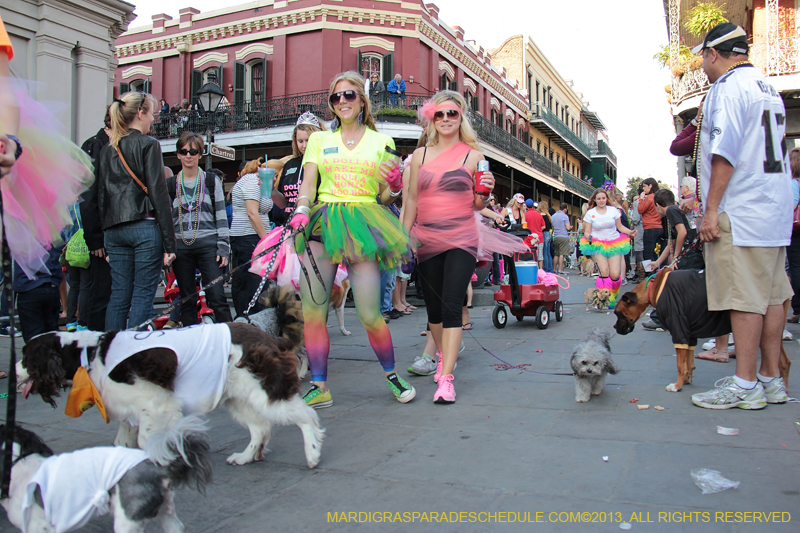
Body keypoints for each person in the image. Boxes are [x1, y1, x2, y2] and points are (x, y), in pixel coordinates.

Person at [291, 71, 414, 408]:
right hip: (322, 222)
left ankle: (391, 374)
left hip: (364, 223)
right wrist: (302, 209)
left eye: (348, 95)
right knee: (314, 312)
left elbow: (384, 196)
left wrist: (396, 186)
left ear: (361, 100)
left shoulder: (381, 142)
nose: (342, 101)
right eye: (335, 97)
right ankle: (320, 385)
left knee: (370, 314)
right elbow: (308, 185)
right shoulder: (318, 140)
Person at [690, 23, 793, 410]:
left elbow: (725, 152)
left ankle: (745, 383)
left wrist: (712, 210)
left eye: (703, 57)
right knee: (771, 298)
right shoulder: (767, 87)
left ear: (714, 53)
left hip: (743, 207)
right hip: (773, 208)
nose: (702, 66)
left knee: (745, 300)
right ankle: (769, 380)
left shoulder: (728, 88)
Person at [403, 90, 526, 403]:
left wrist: (485, 195)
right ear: (432, 118)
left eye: (452, 114)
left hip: (461, 237)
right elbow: (412, 201)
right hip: (426, 238)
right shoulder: (420, 156)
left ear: (461, 118)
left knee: (452, 302)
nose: (445, 119)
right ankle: (444, 356)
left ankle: (446, 378)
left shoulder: (473, 155)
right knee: (432, 311)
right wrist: (401, 239)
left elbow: (477, 202)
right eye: (440, 114)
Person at [97, 92, 176, 330]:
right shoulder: (148, 144)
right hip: (144, 226)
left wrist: (105, 234)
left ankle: (110, 353)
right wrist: (169, 244)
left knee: (119, 295)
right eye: (151, 112)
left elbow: (101, 196)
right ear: (140, 113)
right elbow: (158, 194)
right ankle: (135, 352)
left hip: (114, 229)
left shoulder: (107, 150)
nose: (153, 119)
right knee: (143, 294)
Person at [167, 132, 232, 325]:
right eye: (184, 151)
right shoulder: (170, 184)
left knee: (217, 296)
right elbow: (167, 221)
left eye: (193, 151)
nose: (188, 155)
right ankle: (193, 343)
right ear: (178, 154)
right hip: (181, 248)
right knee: (187, 299)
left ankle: (230, 339)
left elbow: (221, 215)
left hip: (208, 245)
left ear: (200, 154)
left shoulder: (211, 181)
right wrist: (168, 249)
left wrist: (223, 247)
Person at [79, 109, 113, 331]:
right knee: (99, 292)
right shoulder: (96, 145)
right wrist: (95, 239)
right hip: (102, 236)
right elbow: (88, 196)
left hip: (112, 232)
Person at [229, 158, 273, 318]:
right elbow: (252, 213)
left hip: (244, 237)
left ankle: (245, 318)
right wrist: (266, 241)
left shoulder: (250, 182)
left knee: (246, 282)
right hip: (249, 237)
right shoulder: (252, 182)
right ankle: (253, 319)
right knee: (254, 283)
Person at [579, 188, 636, 308]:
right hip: (597, 244)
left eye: (603, 198)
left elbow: (620, 227)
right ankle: (604, 298)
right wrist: (589, 238)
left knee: (615, 275)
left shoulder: (613, 211)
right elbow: (587, 232)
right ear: (595, 199)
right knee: (604, 271)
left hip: (614, 243)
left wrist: (630, 232)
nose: (601, 201)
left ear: (606, 199)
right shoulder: (590, 213)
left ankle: (613, 295)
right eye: (599, 199)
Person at [272, 112, 325, 225]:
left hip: (317, 224)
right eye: (300, 141)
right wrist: (271, 189)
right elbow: (283, 204)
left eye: (308, 140)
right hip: (290, 224)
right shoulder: (289, 164)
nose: (304, 146)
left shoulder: (325, 163)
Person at [787, 148, 800, 324]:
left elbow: (791, 205)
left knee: (795, 267)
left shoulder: (793, 183)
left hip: (796, 230)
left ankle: (798, 309)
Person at [637, 177, 663, 261]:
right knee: (656, 252)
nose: (643, 189)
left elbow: (640, 210)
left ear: (650, 186)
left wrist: (641, 199)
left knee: (648, 254)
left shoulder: (650, 197)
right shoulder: (658, 196)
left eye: (645, 186)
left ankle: (650, 273)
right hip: (659, 226)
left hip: (650, 227)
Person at [551, 203, 572, 274]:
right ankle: (560, 270)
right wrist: (571, 227)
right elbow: (568, 227)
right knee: (562, 254)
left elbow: (552, 227)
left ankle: (554, 269)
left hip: (556, 236)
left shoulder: (553, 216)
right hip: (563, 236)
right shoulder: (565, 216)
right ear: (565, 209)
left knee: (556, 254)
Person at [524, 200, 545, 268]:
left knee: (532, 256)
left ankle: (533, 270)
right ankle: (541, 270)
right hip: (540, 237)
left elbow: (524, 227)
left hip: (530, 238)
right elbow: (544, 226)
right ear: (533, 205)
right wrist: (538, 230)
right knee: (540, 256)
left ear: (526, 206)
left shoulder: (525, 215)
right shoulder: (539, 215)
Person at [538, 200, 554, 273]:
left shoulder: (540, 215)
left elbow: (542, 226)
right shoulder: (548, 215)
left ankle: (546, 269)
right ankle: (550, 269)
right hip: (549, 234)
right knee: (548, 252)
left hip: (544, 233)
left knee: (544, 252)